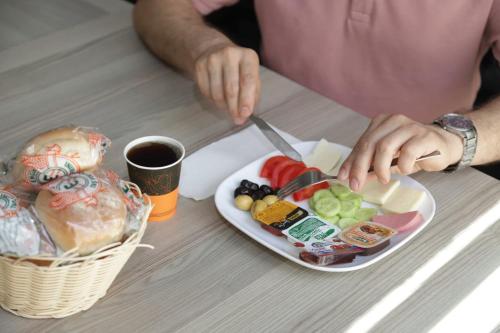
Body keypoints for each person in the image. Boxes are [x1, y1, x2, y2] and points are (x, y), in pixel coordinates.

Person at [133, 0, 500, 190]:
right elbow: (155, 7)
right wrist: (203, 46)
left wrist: (456, 139)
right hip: (273, 143)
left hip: (425, 174)